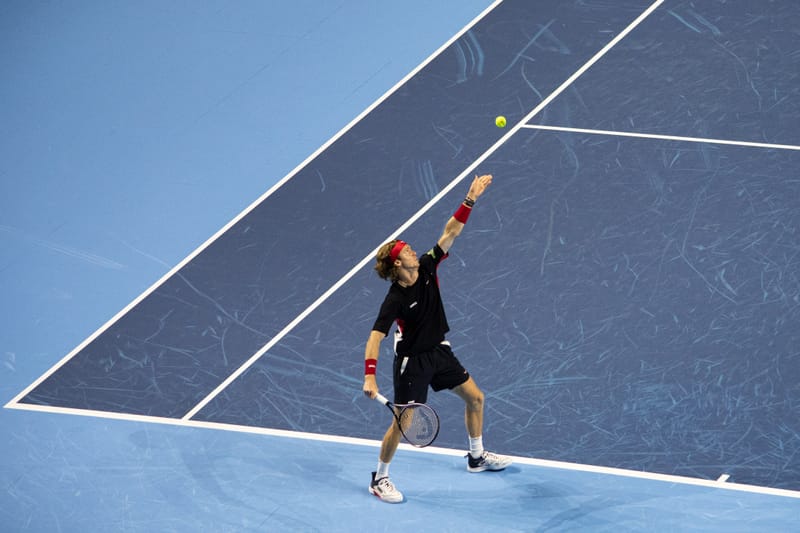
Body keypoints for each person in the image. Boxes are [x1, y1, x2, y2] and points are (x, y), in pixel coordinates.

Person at [362, 173, 512, 503]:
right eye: (408, 251)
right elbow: (375, 338)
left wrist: (469, 199)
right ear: (398, 263)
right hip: (411, 363)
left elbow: (451, 231)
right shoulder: (395, 300)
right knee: (404, 422)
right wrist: (370, 376)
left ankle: (476, 457)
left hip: (438, 351)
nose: (415, 251)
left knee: (476, 398)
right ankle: (380, 478)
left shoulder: (428, 266)